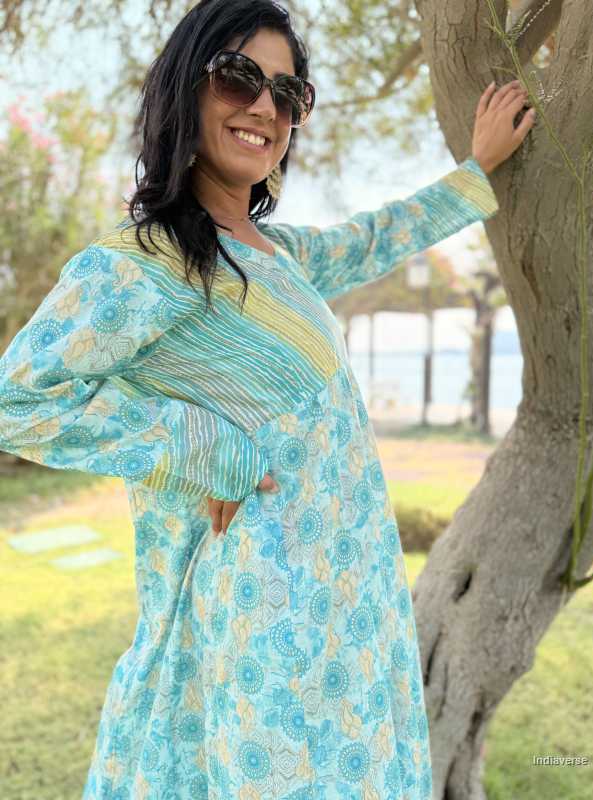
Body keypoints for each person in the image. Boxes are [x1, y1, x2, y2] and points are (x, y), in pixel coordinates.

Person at [0, 1, 535, 797]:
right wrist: (197, 445)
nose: (264, 107)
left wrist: (476, 169)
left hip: (349, 615)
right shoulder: (144, 263)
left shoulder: (275, 253)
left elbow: (374, 235)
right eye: (239, 76)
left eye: (288, 93)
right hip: (259, 638)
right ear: (187, 85)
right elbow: (19, 398)